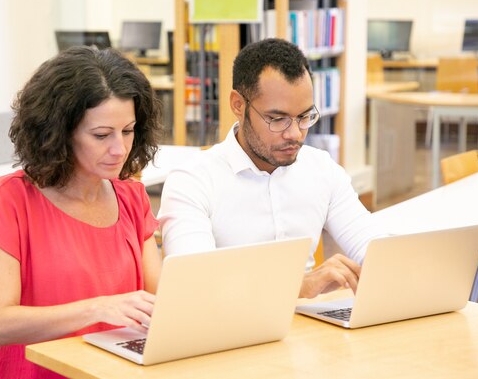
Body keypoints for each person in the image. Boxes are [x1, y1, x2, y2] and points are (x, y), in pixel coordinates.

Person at [0, 46, 163, 378]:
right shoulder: (9, 201)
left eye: (128, 131)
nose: (119, 149)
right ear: (59, 133)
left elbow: (159, 299)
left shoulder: (131, 196)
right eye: (101, 135)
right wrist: (98, 309)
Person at [158, 38, 386, 299]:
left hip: (310, 330)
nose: (295, 134)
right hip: (232, 333)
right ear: (238, 105)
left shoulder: (321, 169)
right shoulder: (192, 182)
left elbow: (374, 247)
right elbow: (194, 287)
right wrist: (301, 287)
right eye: (277, 119)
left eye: (304, 117)